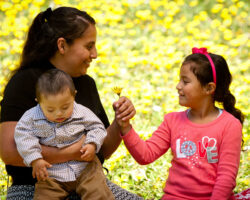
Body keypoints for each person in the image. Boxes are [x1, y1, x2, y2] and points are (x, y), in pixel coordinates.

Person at [0, 6, 142, 200]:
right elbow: (9, 152)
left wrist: (120, 122)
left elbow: (104, 149)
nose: (95, 54)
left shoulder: (86, 83)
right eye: (88, 46)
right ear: (62, 45)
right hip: (35, 188)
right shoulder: (24, 82)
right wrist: (73, 152)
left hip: (87, 183)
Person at [117, 47, 244, 199]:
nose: (178, 86)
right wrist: (125, 127)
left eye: (185, 81)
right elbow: (146, 155)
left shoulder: (230, 125)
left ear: (209, 88)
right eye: (179, 80)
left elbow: (226, 178)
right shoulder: (172, 121)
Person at [14, 68, 114, 200]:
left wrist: (92, 144)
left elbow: (97, 127)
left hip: (85, 169)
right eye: (50, 109)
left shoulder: (82, 112)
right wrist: (35, 159)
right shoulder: (31, 118)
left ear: (74, 95)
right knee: (44, 196)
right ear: (38, 101)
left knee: (98, 193)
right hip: (51, 174)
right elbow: (23, 136)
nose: (59, 113)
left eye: (65, 107)